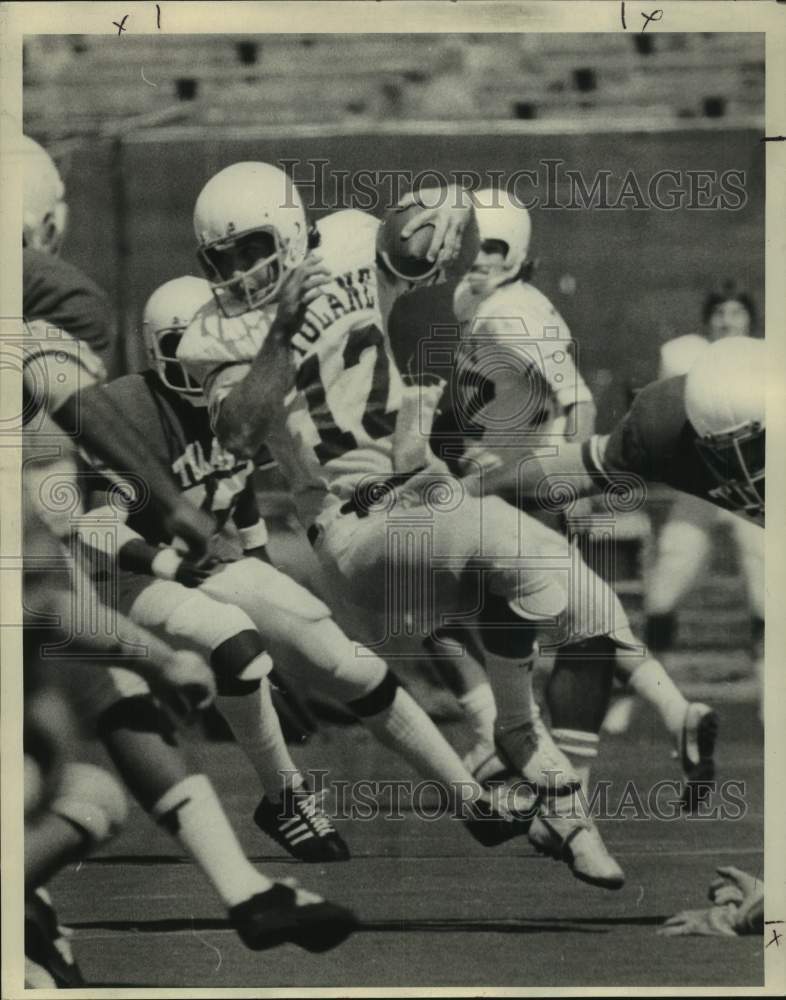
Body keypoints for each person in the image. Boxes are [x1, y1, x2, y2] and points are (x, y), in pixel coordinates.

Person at [177, 160, 639, 890]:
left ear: (294, 230)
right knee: (507, 546)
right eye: (221, 258)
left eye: (251, 247)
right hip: (353, 525)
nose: (238, 269)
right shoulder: (217, 333)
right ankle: (515, 732)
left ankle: (550, 785)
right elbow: (237, 430)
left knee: (549, 588)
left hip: (420, 490)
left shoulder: (351, 244)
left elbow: (412, 244)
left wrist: (439, 217)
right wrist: (282, 335)